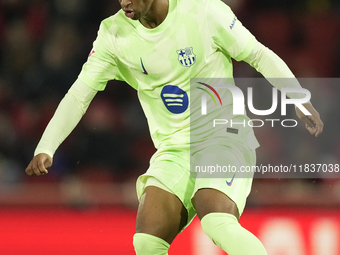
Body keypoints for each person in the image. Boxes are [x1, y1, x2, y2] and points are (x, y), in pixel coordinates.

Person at [25, 0, 324, 254]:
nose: (124, 2)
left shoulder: (204, 11)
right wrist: (46, 146)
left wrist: (297, 98)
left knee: (216, 222)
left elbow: (257, 54)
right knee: (146, 241)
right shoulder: (113, 34)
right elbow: (80, 93)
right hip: (173, 150)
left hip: (224, 137)